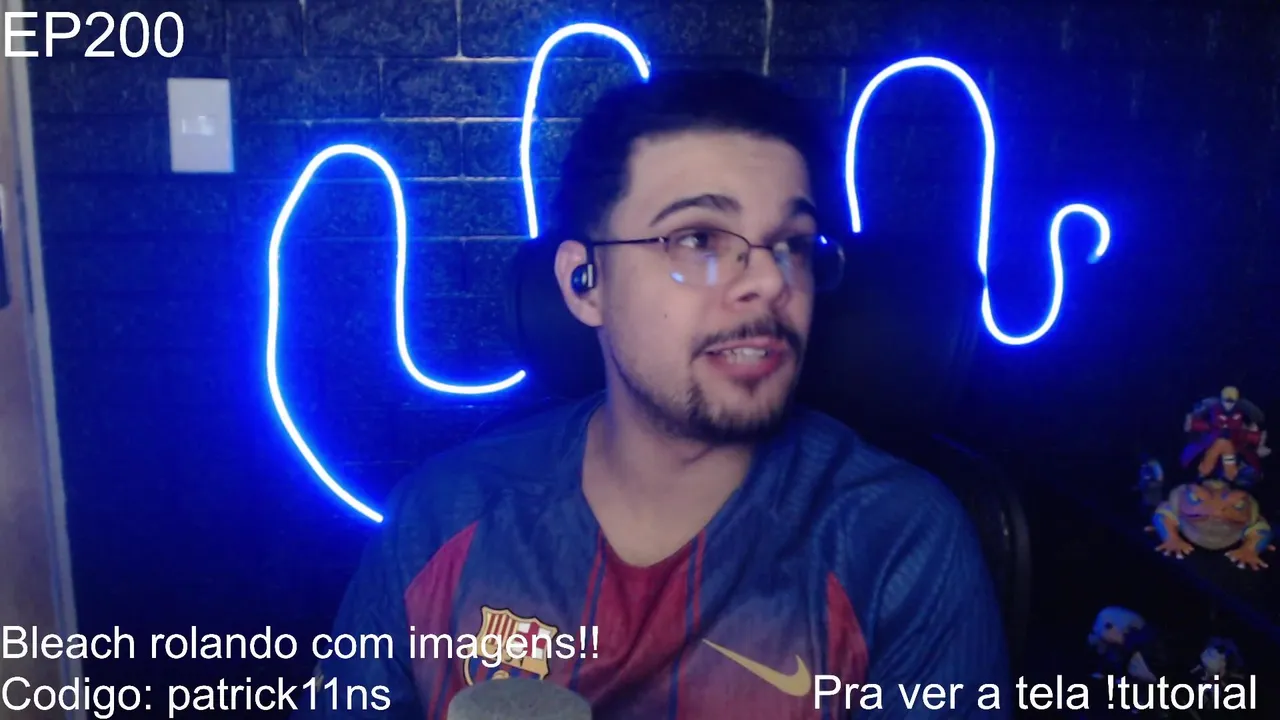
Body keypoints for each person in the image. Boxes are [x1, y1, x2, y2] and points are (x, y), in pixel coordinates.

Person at [301, 70, 1009, 719]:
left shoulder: (897, 543)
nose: (771, 281)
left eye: (793, 243)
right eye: (697, 238)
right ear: (585, 284)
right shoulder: (442, 517)